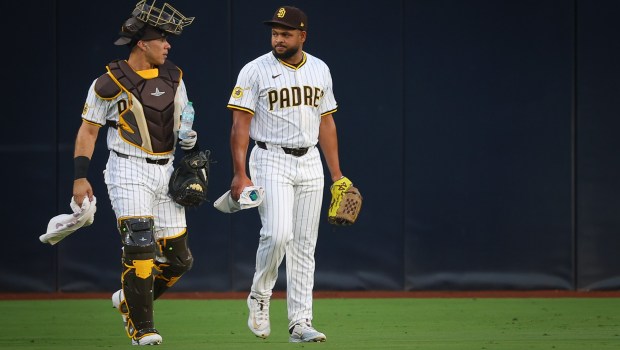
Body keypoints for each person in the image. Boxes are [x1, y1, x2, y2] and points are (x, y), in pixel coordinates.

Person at [72, 0, 199, 345]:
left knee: (179, 260)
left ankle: (128, 299)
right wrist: (80, 177)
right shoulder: (109, 82)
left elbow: (181, 119)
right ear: (143, 42)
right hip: (127, 168)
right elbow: (88, 130)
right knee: (140, 243)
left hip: (166, 168)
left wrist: (189, 142)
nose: (168, 45)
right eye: (163, 39)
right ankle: (142, 326)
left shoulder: (174, 76)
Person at [226, 5, 346, 343]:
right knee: (278, 234)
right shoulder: (254, 70)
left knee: (304, 246)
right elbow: (240, 124)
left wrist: (337, 175)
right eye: (275, 32)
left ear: (302, 36)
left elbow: (327, 123)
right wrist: (239, 173)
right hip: (269, 158)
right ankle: (260, 295)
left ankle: (300, 322)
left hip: (309, 162)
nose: (278, 38)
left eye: (286, 33)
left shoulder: (320, 69)